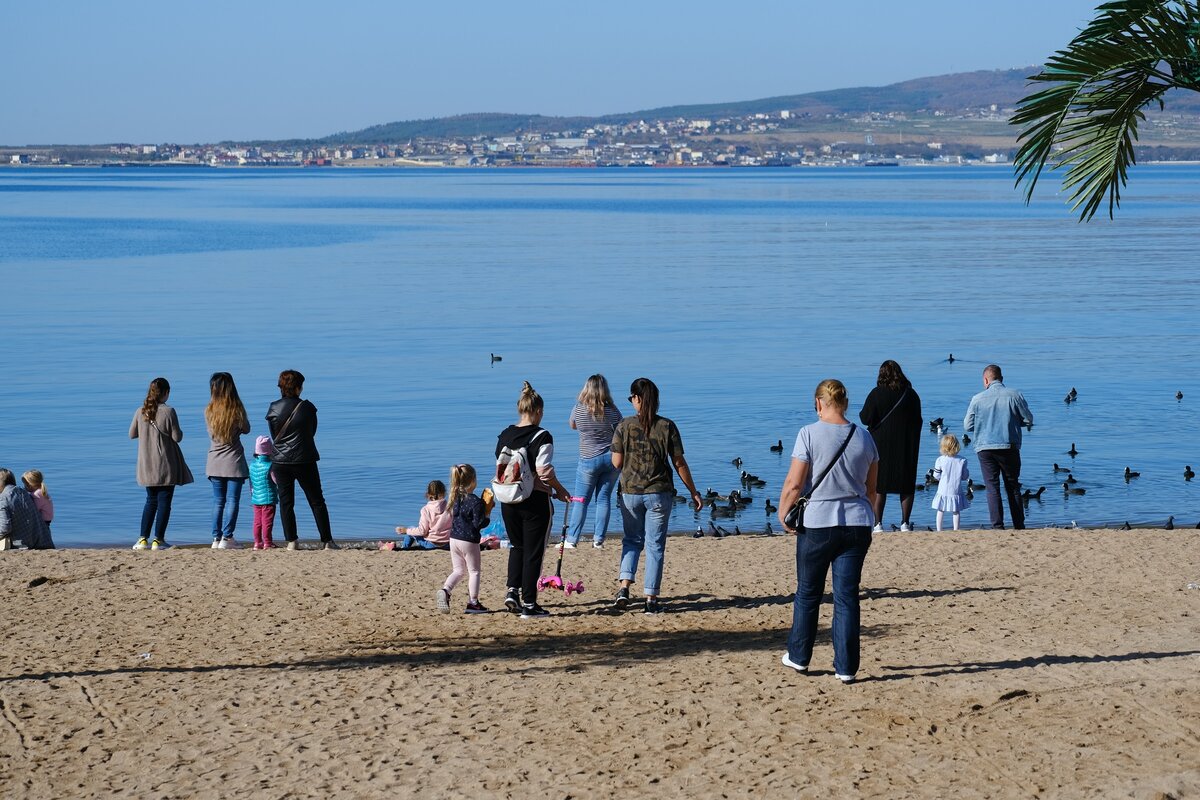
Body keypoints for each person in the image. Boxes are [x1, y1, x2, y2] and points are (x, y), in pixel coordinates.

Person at [778, 379, 879, 684]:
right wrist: (868, 514)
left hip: (819, 523)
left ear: (819, 403)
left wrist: (785, 513)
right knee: (847, 597)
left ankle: (799, 657)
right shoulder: (864, 437)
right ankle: (846, 667)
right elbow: (872, 489)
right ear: (845, 403)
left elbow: (795, 483)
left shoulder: (808, 433)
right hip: (857, 523)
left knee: (808, 593)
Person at [610, 377, 703, 615]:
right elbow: (679, 462)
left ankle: (623, 588)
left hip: (630, 493)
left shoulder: (623, 426)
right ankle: (650, 598)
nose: (631, 401)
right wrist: (693, 491)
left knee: (631, 540)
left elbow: (616, 462)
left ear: (638, 399)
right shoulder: (667, 426)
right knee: (655, 546)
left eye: (632, 398)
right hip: (659, 493)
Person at [495, 381, 572, 619]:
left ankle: (512, 591)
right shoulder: (543, 435)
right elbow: (544, 470)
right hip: (535, 501)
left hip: (508, 498)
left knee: (517, 546)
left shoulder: (505, 434)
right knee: (533, 552)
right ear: (538, 411)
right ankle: (529, 604)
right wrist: (559, 490)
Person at [266, 370, 336, 550]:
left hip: (280, 461)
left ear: (281, 387)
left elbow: (275, 436)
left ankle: (291, 541)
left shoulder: (273, 408)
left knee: (286, 502)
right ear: (298, 387)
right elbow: (311, 432)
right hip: (305, 459)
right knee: (317, 501)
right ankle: (327, 541)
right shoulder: (308, 407)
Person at [962, 364, 1034, 530]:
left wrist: (983, 425)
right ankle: (1018, 524)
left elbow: (967, 426)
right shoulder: (1014, 395)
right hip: (1009, 445)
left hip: (985, 448)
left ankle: (997, 525)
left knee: (992, 487)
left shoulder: (977, 398)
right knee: (1012, 485)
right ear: (1001, 378)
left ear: (986, 380)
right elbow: (1029, 419)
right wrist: (1015, 423)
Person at [130, 377, 193, 550]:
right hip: (165, 464)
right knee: (164, 501)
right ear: (165, 393)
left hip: (146, 464)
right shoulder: (169, 411)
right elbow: (176, 437)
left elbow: (131, 434)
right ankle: (158, 539)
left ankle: (142, 539)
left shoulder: (140, 411)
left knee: (150, 501)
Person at [859, 360, 922, 532]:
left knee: (880, 484)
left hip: (881, 443)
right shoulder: (911, 394)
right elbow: (918, 421)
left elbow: (865, 418)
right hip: (907, 444)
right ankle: (905, 523)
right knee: (906, 484)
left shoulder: (876, 393)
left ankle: (878, 523)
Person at [565, 374, 622, 549]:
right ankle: (598, 539)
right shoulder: (611, 410)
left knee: (580, 500)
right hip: (610, 459)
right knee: (603, 499)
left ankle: (572, 539)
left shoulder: (579, 408)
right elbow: (621, 429)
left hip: (588, 459)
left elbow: (572, 425)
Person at [436, 464, 493, 614]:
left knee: (458, 570)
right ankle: (473, 602)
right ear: (473, 481)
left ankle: (446, 590)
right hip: (469, 540)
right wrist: (488, 512)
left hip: (454, 539)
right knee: (474, 572)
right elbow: (479, 523)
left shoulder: (455, 499)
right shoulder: (475, 501)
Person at [206, 372, 251, 549]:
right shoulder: (236, 409)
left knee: (218, 501)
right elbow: (246, 429)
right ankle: (228, 537)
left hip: (214, 461)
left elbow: (212, 434)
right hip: (234, 461)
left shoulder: (209, 410)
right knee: (232, 500)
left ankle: (215, 539)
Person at [1, 468, 54, 550]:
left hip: (23, 544)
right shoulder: (24, 493)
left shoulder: (4, 499)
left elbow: (5, 527)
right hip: (42, 538)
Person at [395, 480, 452, 550]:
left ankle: (404, 548)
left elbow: (422, 531)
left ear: (428, 494)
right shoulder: (450, 508)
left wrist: (406, 530)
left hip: (431, 544)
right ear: (444, 493)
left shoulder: (426, 510)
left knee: (410, 529)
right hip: (447, 544)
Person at [932, 434, 970, 531]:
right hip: (956, 489)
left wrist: (942, 479)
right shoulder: (962, 460)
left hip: (943, 489)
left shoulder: (940, 460)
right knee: (956, 511)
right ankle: (956, 529)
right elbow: (965, 476)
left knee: (940, 510)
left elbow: (936, 475)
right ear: (957, 445)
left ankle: (939, 529)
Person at [248, 435, 278, 549]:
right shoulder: (270, 465)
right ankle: (267, 542)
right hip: (268, 499)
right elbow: (276, 481)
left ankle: (257, 542)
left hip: (256, 498)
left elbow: (251, 484)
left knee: (257, 521)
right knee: (267, 521)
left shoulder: (252, 465)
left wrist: (253, 494)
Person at [21, 470, 54, 538]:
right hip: (46, 521)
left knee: (42, 536)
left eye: (25, 484)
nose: (24, 486)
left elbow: (34, 509)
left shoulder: (37, 495)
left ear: (29, 485)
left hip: (42, 521)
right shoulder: (41, 491)